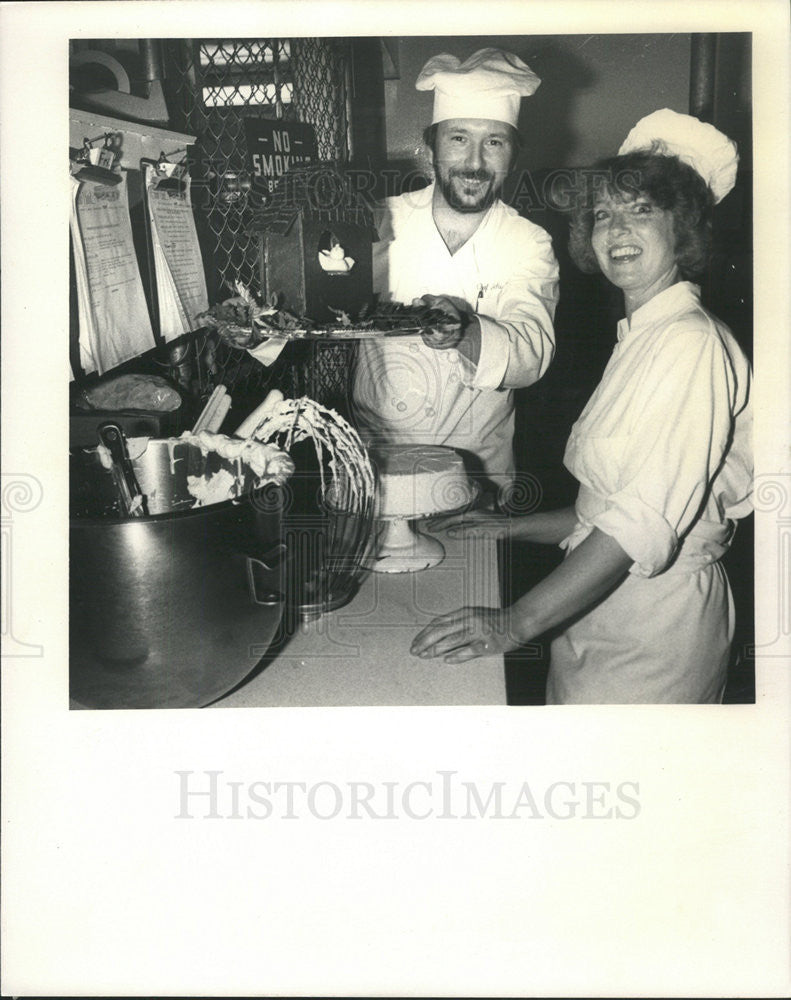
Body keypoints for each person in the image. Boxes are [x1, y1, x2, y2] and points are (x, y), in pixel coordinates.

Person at [410, 108, 753, 705]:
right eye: (604, 214)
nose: (617, 229)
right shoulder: (644, 332)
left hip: (657, 633)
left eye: (642, 210)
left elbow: (641, 523)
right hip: (598, 612)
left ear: (683, 229)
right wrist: (508, 526)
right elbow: (608, 506)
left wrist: (512, 623)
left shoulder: (689, 343)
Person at [352, 48, 559, 492]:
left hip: (476, 476)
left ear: (513, 154)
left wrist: (465, 331)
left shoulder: (529, 241)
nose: (475, 162)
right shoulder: (376, 221)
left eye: (495, 142)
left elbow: (533, 351)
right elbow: (317, 302)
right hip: (376, 466)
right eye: (459, 138)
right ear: (431, 146)